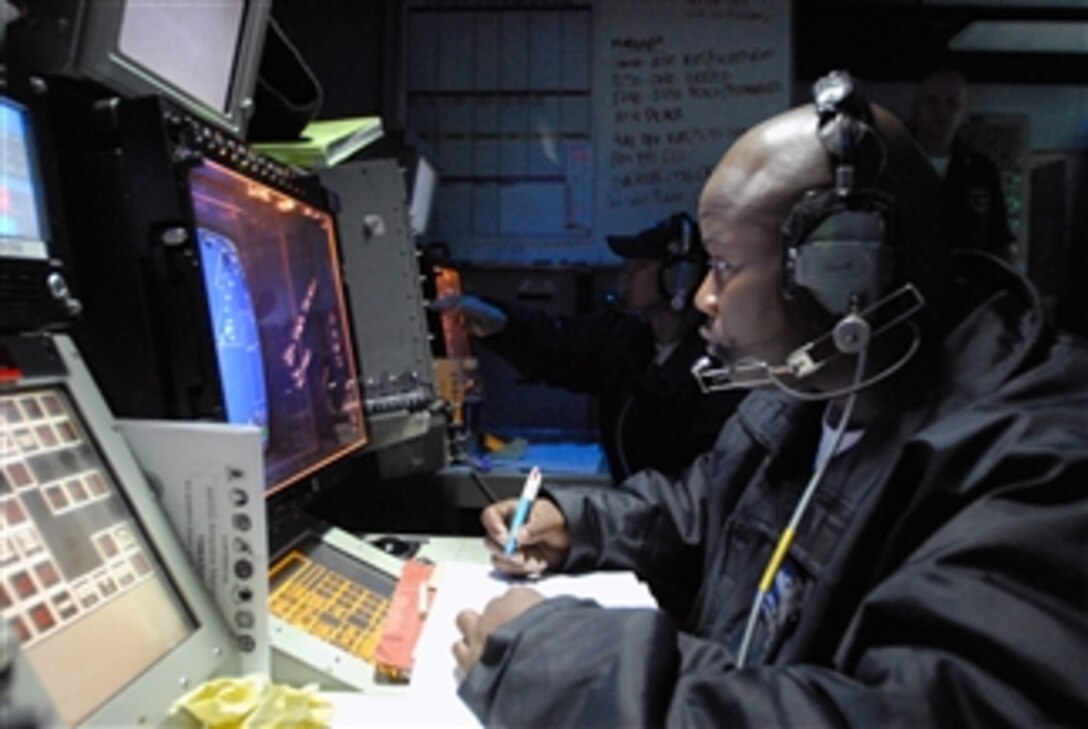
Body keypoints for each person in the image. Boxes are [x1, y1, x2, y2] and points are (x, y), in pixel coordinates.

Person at [451, 71, 1088, 727]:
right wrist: (578, 524)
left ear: (844, 275)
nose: (702, 297)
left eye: (723, 266)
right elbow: (704, 507)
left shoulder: (1038, 475)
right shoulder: (811, 394)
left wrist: (566, 669)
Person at [432, 213, 745, 482]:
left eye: (640, 266)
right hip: (631, 520)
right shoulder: (629, 339)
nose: (627, 274)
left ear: (679, 279)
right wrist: (500, 323)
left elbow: (696, 487)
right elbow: (559, 345)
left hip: (672, 533)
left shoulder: (716, 367)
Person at [910, 66, 1016, 260]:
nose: (941, 111)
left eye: (952, 103)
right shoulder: (892, 162)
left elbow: (998, 241)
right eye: (931, 101)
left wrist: (1014, 286)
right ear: (916, 107)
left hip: (965, 284)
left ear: (963, 110)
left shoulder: (981, 171)